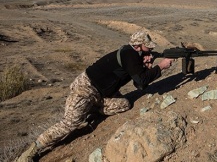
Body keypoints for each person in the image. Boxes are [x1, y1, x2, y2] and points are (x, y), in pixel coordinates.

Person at [16, 31, 174, 162]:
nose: (150, 51)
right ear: (138, 46)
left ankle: (92, 109)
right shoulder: (130, 56)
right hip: (85, 88)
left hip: (102, 93)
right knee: (70, 123)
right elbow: (141, 81)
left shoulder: (133, 54)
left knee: (125, 104)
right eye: (147, 47)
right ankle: (33, 149)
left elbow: (139, 84)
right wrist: (161, 66)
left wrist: (147, 66)